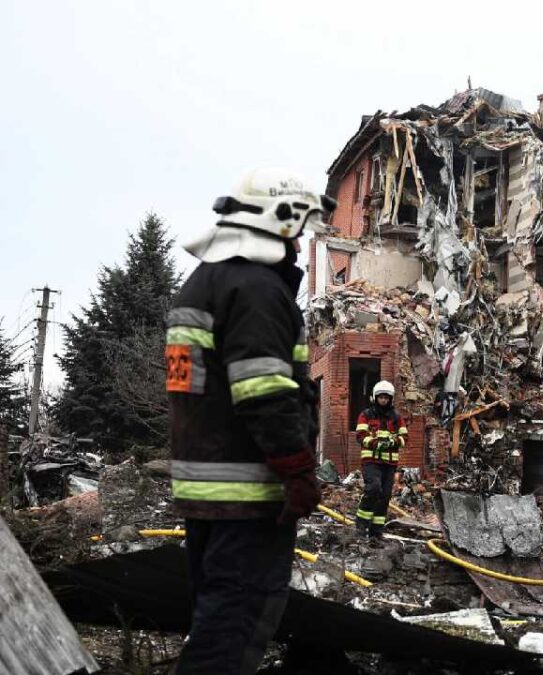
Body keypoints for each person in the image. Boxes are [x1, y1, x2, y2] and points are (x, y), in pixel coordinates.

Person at [166, 168, 333, 674]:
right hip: (247, 494)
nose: (302, 245)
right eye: (299, 231)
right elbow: (264, 391)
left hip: (206, 488)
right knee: (233, 629)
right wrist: (298, 471)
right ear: (278, 223)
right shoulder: (256, 289)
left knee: (214, 614)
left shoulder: (202, 284)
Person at [355, 380, 408, 537]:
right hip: (371, 461)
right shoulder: (366, 415)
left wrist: (393, 441)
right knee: (374, 488)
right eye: (381, 397)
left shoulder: (396, 417)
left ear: (390, 399)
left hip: (389, 463)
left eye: (386, 397)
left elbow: (404, 437)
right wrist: (374, 442)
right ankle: (361, 523)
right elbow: (360, 436)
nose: (383, 400)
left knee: (385, 496)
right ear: (375, 397)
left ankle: (376, 530)